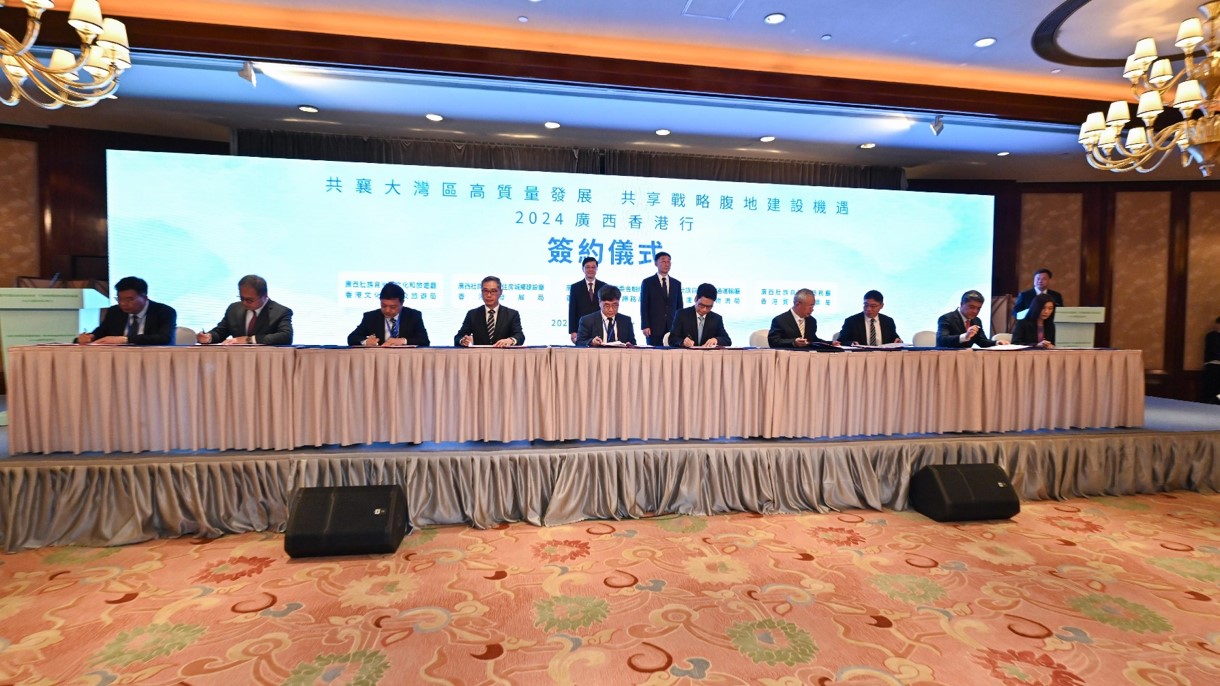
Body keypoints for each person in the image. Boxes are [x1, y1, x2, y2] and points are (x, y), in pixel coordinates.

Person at [76, 275, 177, 345]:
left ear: (144, 298)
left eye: (129, 299)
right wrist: (90, 337)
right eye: (119, 299)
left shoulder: (164, 312)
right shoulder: (115, 311)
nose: (123, 303)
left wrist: (126, 340)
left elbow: (165, 338)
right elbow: (101, 331)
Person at [197, 274, 294, 346]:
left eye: (249, 300)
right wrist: (208, 337)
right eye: (241, 298)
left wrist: (248, 340)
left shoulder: (281, 312)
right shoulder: (234, 309)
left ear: (264, 296)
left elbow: (286, 337)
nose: (244, 303)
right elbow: (221, 332)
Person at [347, 282, 430, 347]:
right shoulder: (371, 317)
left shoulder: (413, 316)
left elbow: (424, 340)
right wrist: (366, 342)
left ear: (402, 303)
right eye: (383, 305)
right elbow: (352, 338)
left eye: (393, 307)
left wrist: (403, 341)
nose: (387, 310)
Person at [455, 275, 524, 347]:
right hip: (479, 353)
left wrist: (511, 340)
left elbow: (520, 335)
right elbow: (458, 337)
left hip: (503, 353)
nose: (488, 295)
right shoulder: (472, 314)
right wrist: (463, 341)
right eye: (485, 291)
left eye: (493, 291)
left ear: (500, 292)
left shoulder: (512, 314)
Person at [936, 290, 1007, 348]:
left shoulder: (977, 320)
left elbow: (981, 341)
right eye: (972, 307)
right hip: (947, 356)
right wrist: (965, 336)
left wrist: (997, 343)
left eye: (978, 308)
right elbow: (942, 340)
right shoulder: (946, 318)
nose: (975, 311)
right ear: (961, 304)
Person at [669, 282, 731, 348]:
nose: (704, 309)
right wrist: (683, 342)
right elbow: (672, 339)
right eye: (701, 305)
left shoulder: (716, 319)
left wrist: (716, 340)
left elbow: (727, 340)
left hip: (707, 354)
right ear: (696, 299)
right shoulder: (682, 315)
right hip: (687, 353)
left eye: (709, 307)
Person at [640, 251, 681, 346]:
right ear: (656, 263)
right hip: (654, 327)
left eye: (668, 261)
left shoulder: (676, 283)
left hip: (672, 327)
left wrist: (680, 326)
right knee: (654, 352)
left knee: (673, 353)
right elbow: (644, 305)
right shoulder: (648, 282)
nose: (666, 264)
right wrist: (645, 325)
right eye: (663, 261)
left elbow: (679, 306)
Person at [768, 288, 833, 349]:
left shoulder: (812, 321)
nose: (812, 310)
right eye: (810, 307)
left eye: (813, 307)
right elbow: (773, 341)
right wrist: (793, 342)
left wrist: (831, 344)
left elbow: (813, 340)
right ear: (798, 304)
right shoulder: (780, 320)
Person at [837, 289, 902, 346]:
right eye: (866, 305)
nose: (868, 309)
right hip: (860, 355)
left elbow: (894, 338)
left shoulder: (888, 321)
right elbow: (841, 341)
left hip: (883, 355)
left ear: (881, 306)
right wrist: (852, 343)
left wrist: (898, 341)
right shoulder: (851, 321)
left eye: (873, 306)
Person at [568, 257, 606, 343]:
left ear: (597, 269)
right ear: (583, 269)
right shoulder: (575, 287)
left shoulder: (604, 286)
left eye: (593, 267)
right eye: (587, 267)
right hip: (581, 328)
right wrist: (573, 331)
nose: (590, 269)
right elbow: (572, 310)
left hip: (600, 327)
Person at [1204, 316, 1220, 404]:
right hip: (1213, 366)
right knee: (1211, 389)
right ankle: (1209, 406)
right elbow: (1213, 350)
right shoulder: (1211, 336)